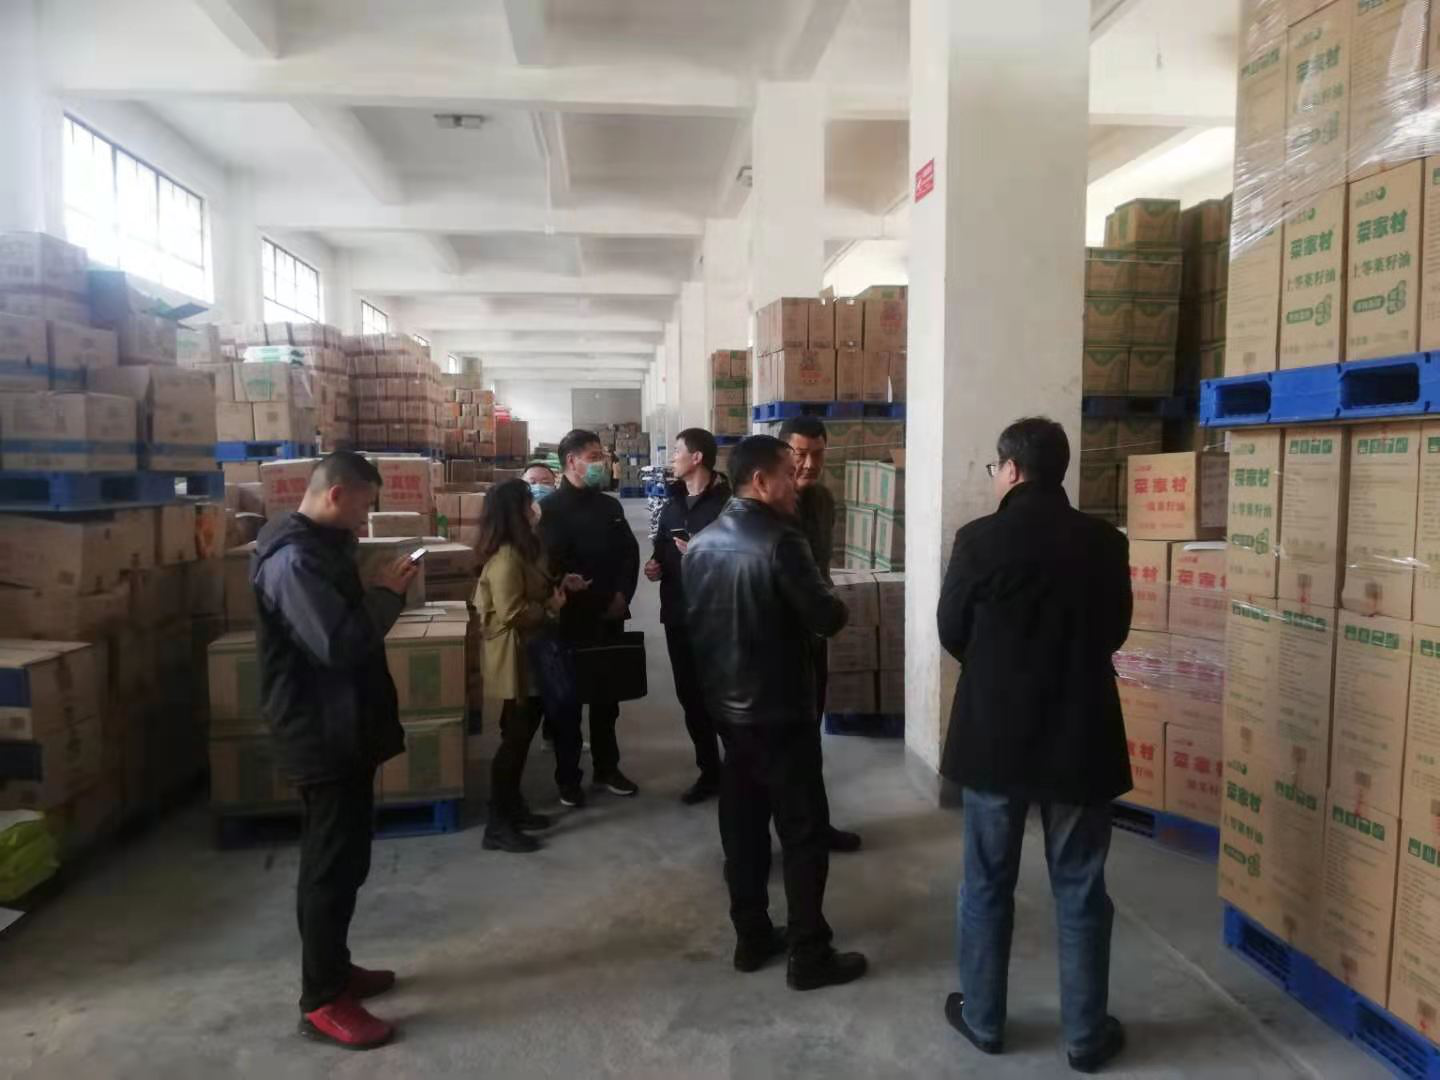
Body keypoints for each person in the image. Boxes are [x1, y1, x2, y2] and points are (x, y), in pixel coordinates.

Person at [936, 417, 1132, 1074]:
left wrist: (998, 665)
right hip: (1080, 734)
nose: (995, 478)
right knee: (1080, 885)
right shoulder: (1104, 542)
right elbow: (1115, 629)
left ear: (1012, 470)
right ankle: (1086, 1036)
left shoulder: (978, 539)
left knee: (986, 881)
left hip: (995, 736)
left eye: (996, 468)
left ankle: (984, 1019)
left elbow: (952, 628)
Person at [683, 435, 867, 991]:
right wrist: (835, 601)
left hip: (727, 712)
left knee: (742, 829)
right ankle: (809, 953)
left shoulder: (701, 544)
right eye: (788, 473)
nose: (797, 482)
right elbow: (825, 617)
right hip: (781, 712)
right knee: (803, 833)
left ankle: (752, 936)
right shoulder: (783, 541)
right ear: (760, 481)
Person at [250, 451, 418, 1050]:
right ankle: (321, 1000)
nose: (366, 520)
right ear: (336, 494)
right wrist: (387, 596)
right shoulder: (293, 560)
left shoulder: (320, 547)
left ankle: (336, 968)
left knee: (348, 859)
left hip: (344, 726)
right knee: (329, 866)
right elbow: (339, 643)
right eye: (364, 508)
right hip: (319, 732)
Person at [474, 479, 585, 853]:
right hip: (518, 659)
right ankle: (497, 823)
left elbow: (533, 585)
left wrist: (560, 583)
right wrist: (551, 607)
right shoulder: (506, 558)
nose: (535, 508)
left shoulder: (525, 550)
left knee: (522, 733)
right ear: (516, 512)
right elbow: (511, 612)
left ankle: (514, 808)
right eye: (528, 503)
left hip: (534, 654)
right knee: (515, 740)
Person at [538, 428, 642, 805]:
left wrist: (622, 595)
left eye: (602, 456)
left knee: (606, 698)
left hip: (610, 613)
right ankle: (568, 778)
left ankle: (607, 767)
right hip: (569, 617)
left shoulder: (610, 507)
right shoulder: (549, 511)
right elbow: (544, 567)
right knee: (567, 702)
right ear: (572, 461)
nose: (603, 463)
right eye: (595, 457)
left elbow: (630, 554)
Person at [779, 415, 862, 855]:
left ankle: (814, 826)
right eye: (799, 453)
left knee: (810, 737)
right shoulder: (767, 506)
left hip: (812, 636)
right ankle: (763, 842)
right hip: (772, 644)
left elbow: (820, 568)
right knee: (773, 748)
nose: (809, 464)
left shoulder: (823, 501)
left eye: (817, 454)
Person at [644, 428, 731, 804]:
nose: (672, 458)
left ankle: (741, 771)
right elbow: (661, 547)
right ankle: (709, 772)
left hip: (717, 615)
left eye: (677, 451)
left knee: (723, 697)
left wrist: (700, 551)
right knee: (690, 697)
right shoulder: (672, 503)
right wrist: (655, 565)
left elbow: (741, 556)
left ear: (697, 457)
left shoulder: (728, 505)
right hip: (678, 614)